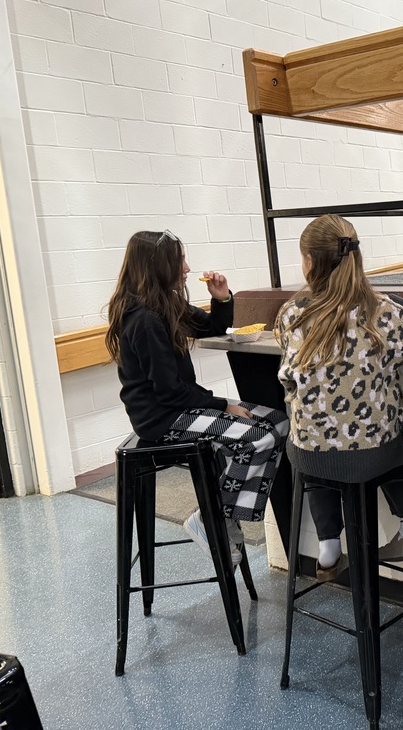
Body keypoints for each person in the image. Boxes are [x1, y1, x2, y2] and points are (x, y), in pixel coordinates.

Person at [106, 230, 289, 565]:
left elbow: (212, 328)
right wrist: (224, 405)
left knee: (278, 421)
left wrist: (221, 298)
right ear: (158, 266)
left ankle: (218, 516)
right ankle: (213, 519)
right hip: (161, 419)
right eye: (180, 261)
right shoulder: (144, 320)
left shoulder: (164, 304)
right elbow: (170, 392)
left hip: (177, 407)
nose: (187, 267)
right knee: (258, 437)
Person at [276, 214, 403, 581]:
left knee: (312, 432)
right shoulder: (386, 312)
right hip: (376, 455)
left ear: (309, 261)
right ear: (357, 257)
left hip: (312, 457)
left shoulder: (292, 314)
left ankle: (328, 544)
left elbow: (289, 379)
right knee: (393, 418)